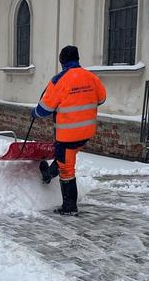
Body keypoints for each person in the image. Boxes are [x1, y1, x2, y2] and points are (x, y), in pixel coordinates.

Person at [31, 45, 107, 215]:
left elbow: (44, 109)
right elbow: (101, 98)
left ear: (62, 61)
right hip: (86, 133)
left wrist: (34, 112)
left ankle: (69, 207)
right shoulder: (92, 77)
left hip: (67, 136)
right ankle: (49, 174)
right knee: (66, 157)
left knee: (67, 168)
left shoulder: (58, 80)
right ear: (78, 59)